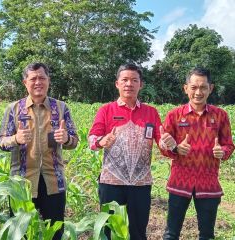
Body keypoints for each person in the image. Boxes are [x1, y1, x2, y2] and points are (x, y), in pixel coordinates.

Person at [0, 62, 79, 239]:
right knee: (23, 233)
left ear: (48, 81)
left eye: (42, 78)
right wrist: (15, 139)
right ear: (25, 82)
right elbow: (2, 142)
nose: (38, 82)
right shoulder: (13, 109)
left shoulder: (61, 108)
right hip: (22, 183)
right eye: (33, 78)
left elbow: (74, 141)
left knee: (55, 232)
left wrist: (66, 139)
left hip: (54, 181)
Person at [88, 63, 162, 240]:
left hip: (141, 183)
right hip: (111, 182)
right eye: (125, 80)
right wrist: (101, 141)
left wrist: (169, 143)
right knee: (110, 230)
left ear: (140, 84)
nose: (129, 84)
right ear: (117, 84)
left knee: (138, 231)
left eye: (134, 80)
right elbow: (92, 138)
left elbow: (162, 142)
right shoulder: (106, 110)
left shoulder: (151, 112)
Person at [160, 67, 234, 240]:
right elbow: (164, 146)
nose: (198, 92)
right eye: (193, 87)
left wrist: (221, 151)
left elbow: (229, 145)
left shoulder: (221, 116)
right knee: (171, 234)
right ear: (186, 88)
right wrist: (175, 148)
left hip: (208, 182)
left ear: (211, 88)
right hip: (180, 182)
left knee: (207, 235)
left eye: (203, 87)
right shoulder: (174, 115)